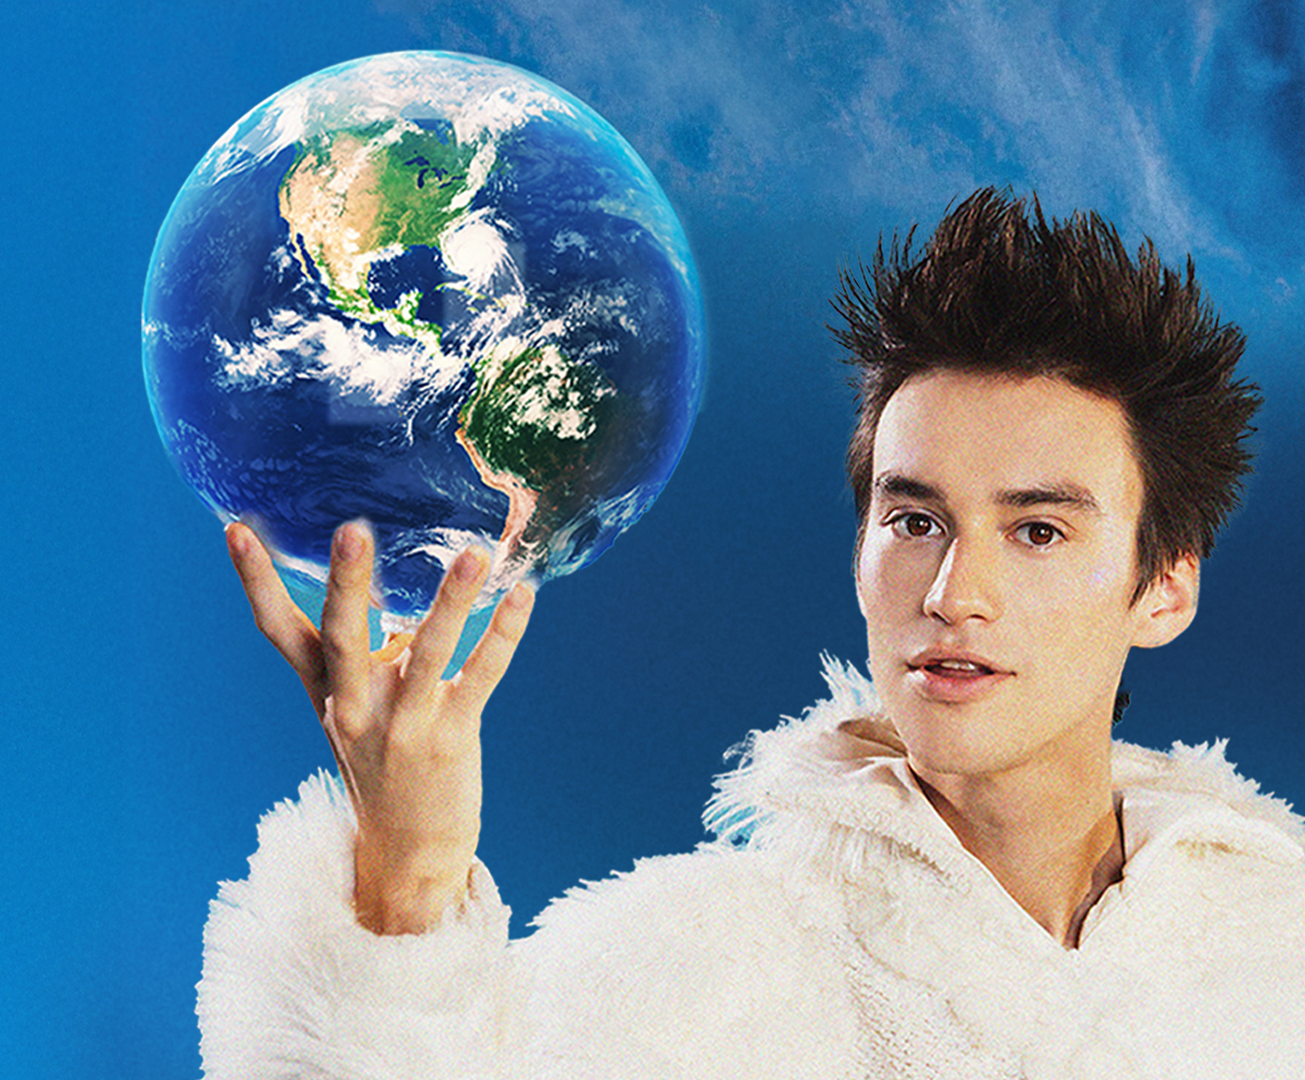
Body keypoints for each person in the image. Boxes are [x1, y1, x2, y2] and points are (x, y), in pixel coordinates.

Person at [198, 189, 1305, 1078]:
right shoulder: (695, 971)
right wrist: (407, 879)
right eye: (915, 520)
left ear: (1163, 587)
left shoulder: (1275, 949)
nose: (954, 591)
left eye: (1039, 531)